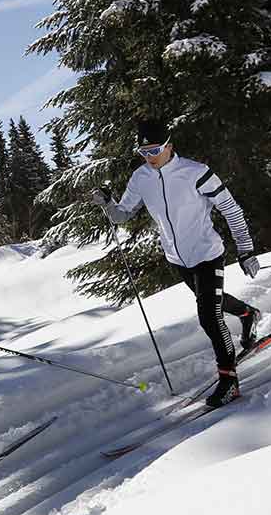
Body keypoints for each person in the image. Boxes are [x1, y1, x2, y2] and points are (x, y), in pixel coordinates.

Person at [93, 117, 262, 409]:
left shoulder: (196, 173)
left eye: (155, 149)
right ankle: (247, 314)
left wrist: (246, 250)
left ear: (170, 144)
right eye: (144, 152)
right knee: (211, 302)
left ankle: (229, 381)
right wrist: (108, 203)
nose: (150, 157)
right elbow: (122, 215)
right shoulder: (140, 178)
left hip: (207, 254)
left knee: (209, 317)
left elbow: (231, 210)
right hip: (177, 259)